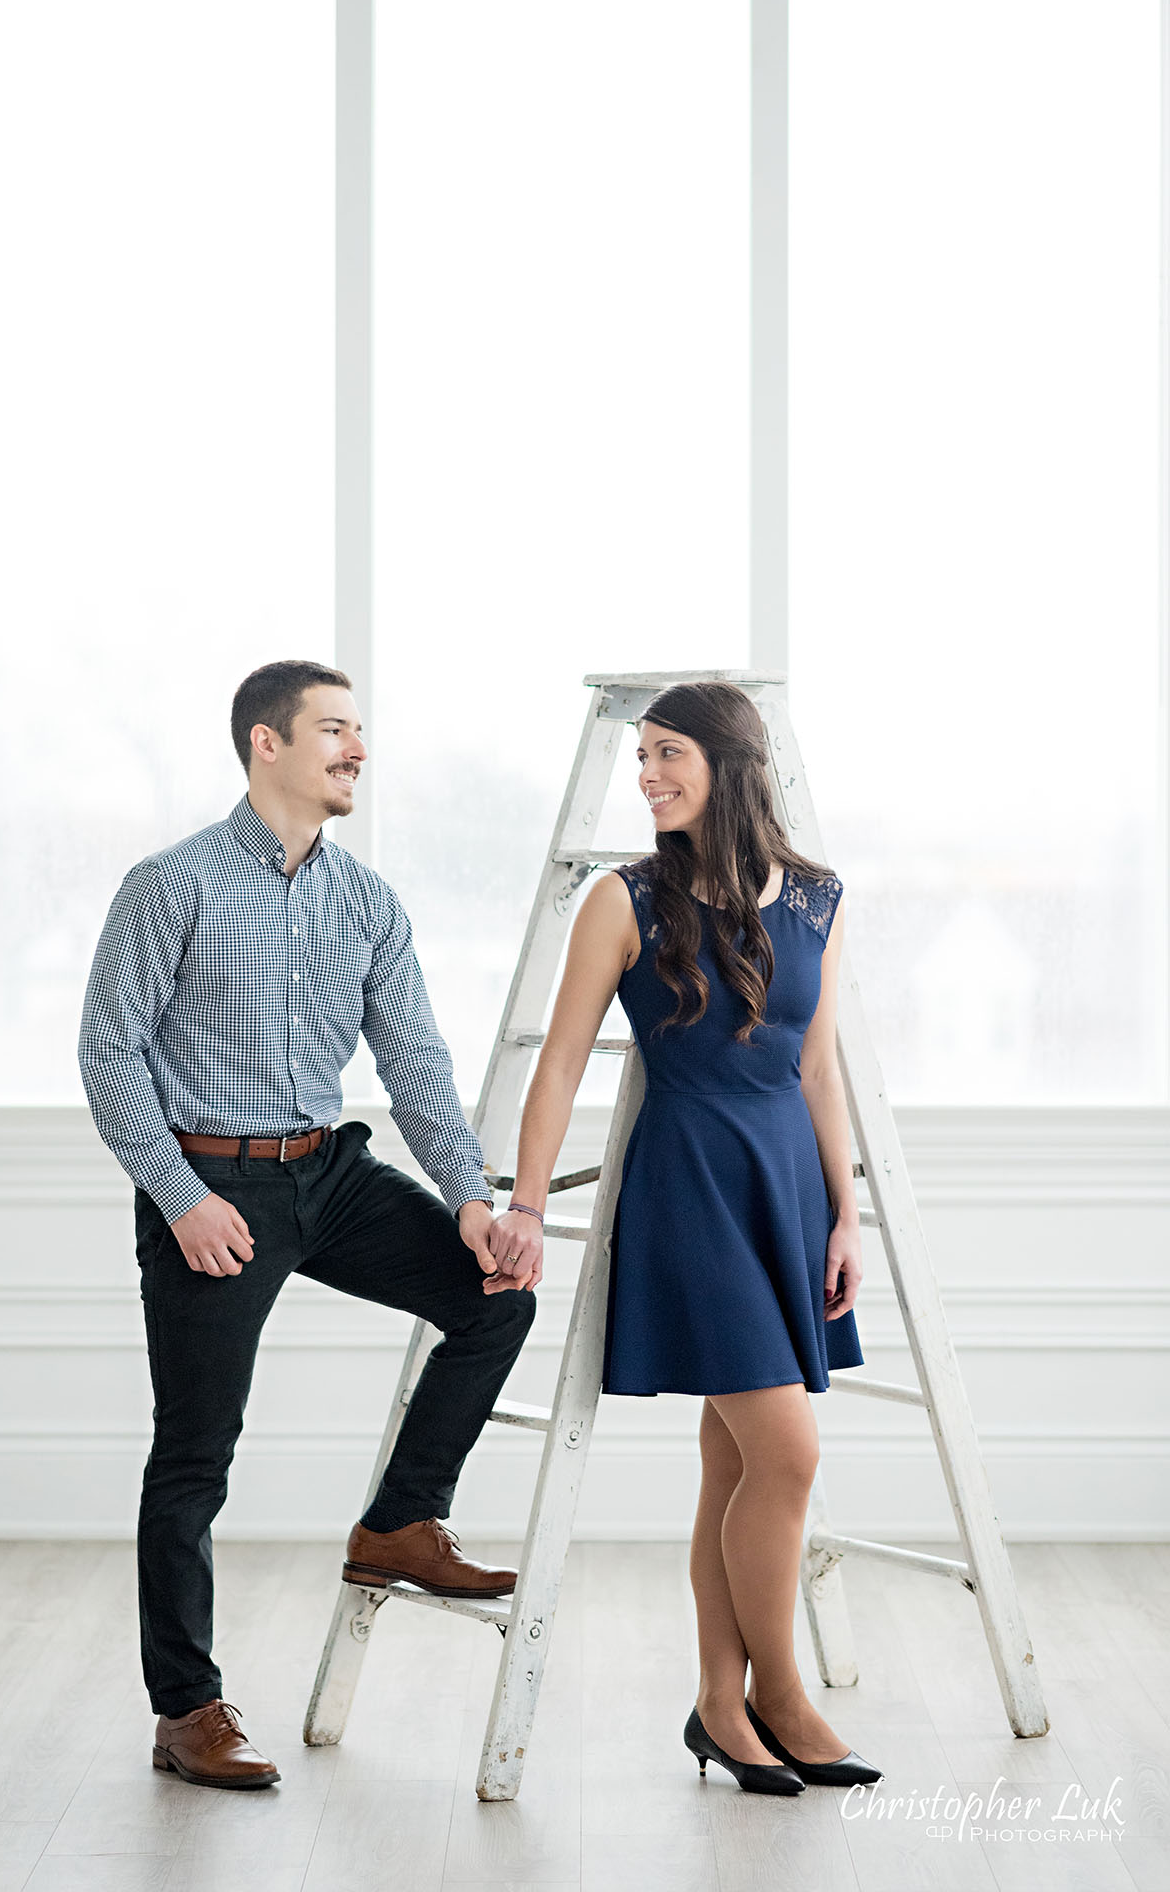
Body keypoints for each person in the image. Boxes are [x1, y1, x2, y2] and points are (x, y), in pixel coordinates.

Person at [77, 658, 536, 1789]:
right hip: (210, 1189)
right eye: (334, 729)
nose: (357, 750)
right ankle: (186, 1709)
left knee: (497, 1292)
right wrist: (181, 1198)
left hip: (326, 1170)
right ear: (264, 744)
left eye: (360, 731)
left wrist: (472, 1199)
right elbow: (108, 1051)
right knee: (195, 1456)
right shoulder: (168, 884)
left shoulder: (368, 901)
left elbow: (417, 1061)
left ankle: (401, 1522)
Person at [489, 680, 883, 1796]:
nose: (649, 773)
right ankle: (784, 1694)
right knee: (788, 1453)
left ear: (729, 761)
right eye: (641, 755)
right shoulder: (624, 898)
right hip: (690, 1185)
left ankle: (720, 1703)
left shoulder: (819, 895)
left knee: (735, 1461)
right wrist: (527, 1203)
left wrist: (845, 1210)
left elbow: (815, 1065)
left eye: (668, 752)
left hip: (786, 1190)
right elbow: (560, 1061)